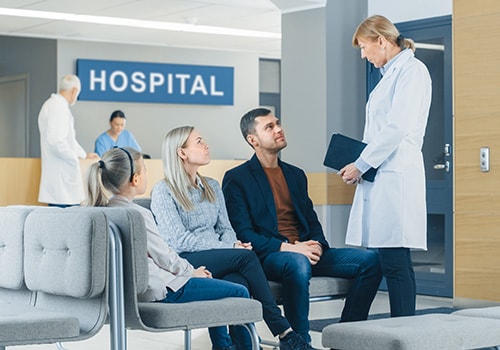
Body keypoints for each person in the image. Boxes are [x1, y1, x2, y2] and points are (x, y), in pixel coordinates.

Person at [221, 108, 383, 343]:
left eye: (277, 123)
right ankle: (299, 342)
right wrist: (292, 248)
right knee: (297, 262)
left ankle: (345, 338)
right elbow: (244, 233)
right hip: (272, 256)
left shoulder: (296, 175)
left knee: (370, 262)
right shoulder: (237, 178)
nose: (278, 129)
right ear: (252, 140)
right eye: (269, 127)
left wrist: (317, 244)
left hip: (305, 249)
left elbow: (310, 219)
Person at [150, 126, 317, 350]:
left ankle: (237, 346)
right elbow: (178, 240)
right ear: (182, 152)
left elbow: (226, 227)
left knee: (238, 282)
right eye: (199, 141)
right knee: (246, 258)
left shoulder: (212, 186)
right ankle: (284, 331)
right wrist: (229, 247)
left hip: (220, 254)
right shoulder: (164, 190)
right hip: (187, 258)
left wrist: (232, 243)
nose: (206, 145)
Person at [84, 146, 252, 350]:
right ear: (135, 179)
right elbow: (165, 256)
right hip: (163, 290)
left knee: (217, 288)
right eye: (144, 169)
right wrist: (192, 273)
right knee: (240, 292)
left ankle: (223, 346)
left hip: (123, 295)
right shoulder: (136, 214)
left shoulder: (98, 212)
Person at [338, 15, 432, 317]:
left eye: (365, 48)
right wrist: (361, 165)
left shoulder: (412, 71)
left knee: (394, 260)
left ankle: (404, 333)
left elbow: (396, 128)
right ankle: (350, 325)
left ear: (382, 40)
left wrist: (361, 164)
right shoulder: (389, 75)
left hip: (396, 176)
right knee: (380, 259)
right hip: (382, 174)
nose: (364, 56)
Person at [38, 73, 99, 207]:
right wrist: (74, 158)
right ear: (74, 91)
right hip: (62, 180)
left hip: (60, 181)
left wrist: (83, 155)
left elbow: (68, 139)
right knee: (65, 221)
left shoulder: (53, 105)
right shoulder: (58, 108)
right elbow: (57, 142)